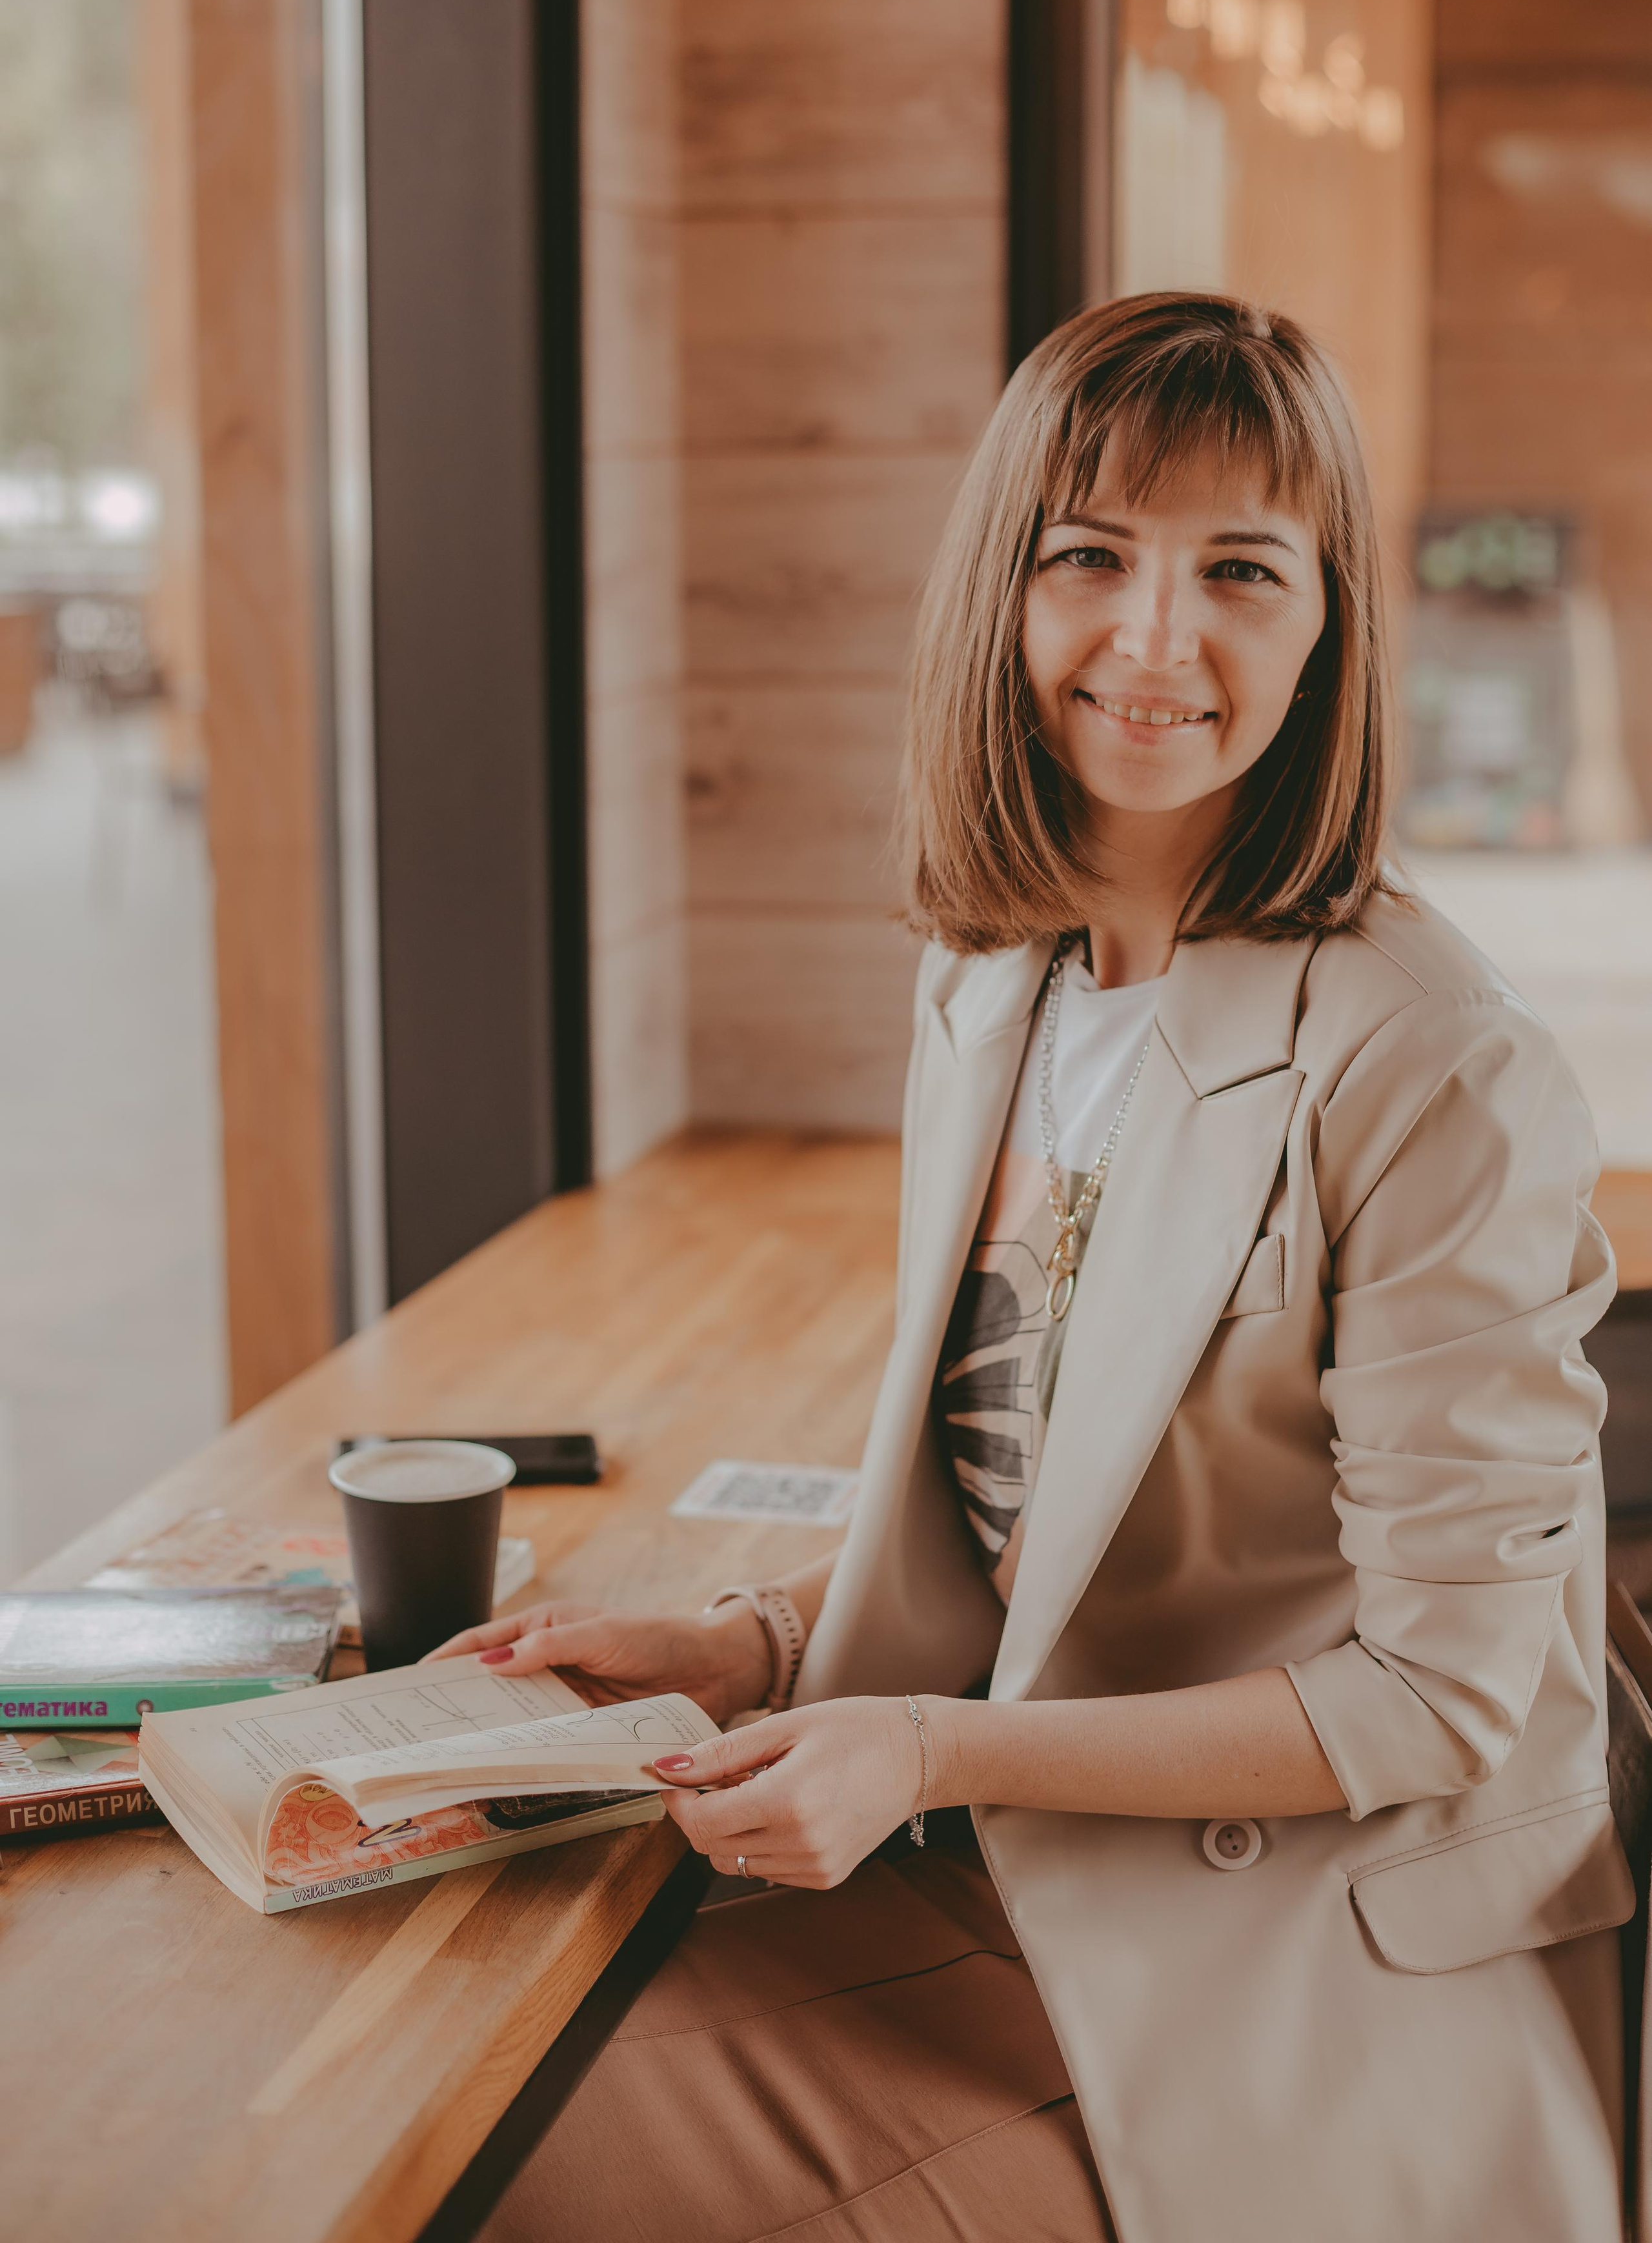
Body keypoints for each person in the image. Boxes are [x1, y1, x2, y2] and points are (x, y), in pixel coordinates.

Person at [440, 294, 1629, 2243]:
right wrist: (756, 1638)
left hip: (1282, 1957)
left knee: (532, 2171)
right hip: (1013, 1852)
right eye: (1092, 558)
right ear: (1005, 590)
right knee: (497, 2059)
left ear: (1328, 625)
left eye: (1241, 571)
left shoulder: (1437, 1061)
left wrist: (921, 1741)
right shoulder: (998, 979)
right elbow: (1056, 1528)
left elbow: (1440, 1693)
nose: (1155, 643)